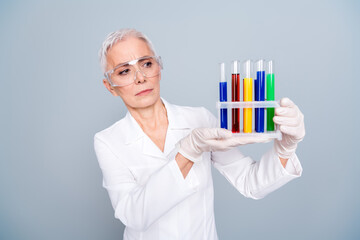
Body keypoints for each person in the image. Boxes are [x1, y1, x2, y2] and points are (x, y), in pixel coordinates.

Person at [94, 28, 305, 240]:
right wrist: (188, 151)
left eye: (146, 64)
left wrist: (285, 148)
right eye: (124, 71)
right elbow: (134, 216)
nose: (140, 78)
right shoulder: (108, 141)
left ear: (159, 66)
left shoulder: (199, 119)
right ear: (110, 86)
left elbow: (250, 183)